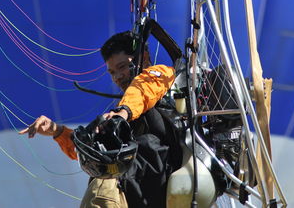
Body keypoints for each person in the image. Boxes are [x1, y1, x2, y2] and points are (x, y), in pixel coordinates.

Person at [19, 31, 182, 208]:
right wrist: (58, 131)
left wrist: (122, 114)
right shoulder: (120, 114)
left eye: (122, 67)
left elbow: (143, 89)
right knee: (104, 165)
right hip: (139, 189)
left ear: (143, 57)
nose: (117, 76)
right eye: (112, 72)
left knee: (107, 174)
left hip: (160, 174)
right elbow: (92, 153)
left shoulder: (159, 76)